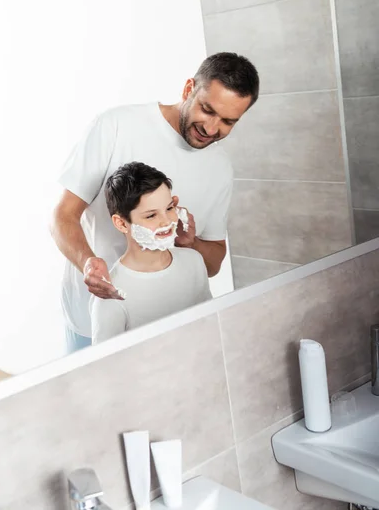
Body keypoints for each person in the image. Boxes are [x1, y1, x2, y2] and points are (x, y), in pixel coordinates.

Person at [51, 51, 259, 352]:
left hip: (168, 326)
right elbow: (62, 216)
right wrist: (88, 264)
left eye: (228, 121)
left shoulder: (220, 168)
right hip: (91, 318)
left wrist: (191, 244)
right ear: (189, 89)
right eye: (207, 110)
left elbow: (212, 263)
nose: (212, 129)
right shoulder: (116, 126)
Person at [91, 162, 212, 344]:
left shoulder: (193, 261)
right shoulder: (111, 294)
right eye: (151, 215)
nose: (166, 221)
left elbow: (210, 326)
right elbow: (107, 367)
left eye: (169, 208)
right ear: (122, 223)